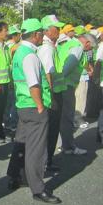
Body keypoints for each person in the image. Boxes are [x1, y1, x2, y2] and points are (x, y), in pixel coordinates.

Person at [6, 19, 61, 204]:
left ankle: (15, 176)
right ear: (36, 34)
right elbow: (34, 84)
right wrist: (40, 106)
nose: (43, 37)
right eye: (41, 33)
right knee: (36, 149)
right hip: (33, 105)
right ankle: (38, 188)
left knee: (21, 142)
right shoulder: (29, 55)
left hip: (23, 104)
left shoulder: (19, 52)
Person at [56, 25, 88, 156]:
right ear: (86, 42)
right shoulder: (77, 47)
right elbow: (69, 65)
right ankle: (68, 146)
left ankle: (65, 145)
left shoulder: (67, 45)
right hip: (66, 85)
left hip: (60, 83)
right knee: (67, 117)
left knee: (63, 117)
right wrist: (63, 77)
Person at [38, 15, 63, 167]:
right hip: (52, 94)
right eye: (56, 28)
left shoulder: (50, 46)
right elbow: (47, 74)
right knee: (51, 129)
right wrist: (52, 96)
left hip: (54, 92)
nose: (59, 30)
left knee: (52, 128)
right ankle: (46, 161)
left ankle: (47, 160)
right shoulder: (47, 48)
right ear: (47, 30)